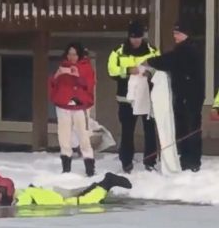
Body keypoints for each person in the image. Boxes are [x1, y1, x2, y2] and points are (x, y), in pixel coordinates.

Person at [145, 20, 205, 172]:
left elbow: (169, 61)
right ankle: (187, 158)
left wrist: (150, 61)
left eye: (178, 33)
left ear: (186, 34)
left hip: (190, 96)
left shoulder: (188, 49)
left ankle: (191, 160)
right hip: (185, 95)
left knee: (190, 128)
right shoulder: (185, 48)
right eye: (174, 33)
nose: (175, 36)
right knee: (185, 127)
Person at [107, 20, 160, 173]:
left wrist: (149, 72)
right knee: (127, 130)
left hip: (147, 97)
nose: (136, 40)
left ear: (142, 37)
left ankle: (150, 160)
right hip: (126, 99)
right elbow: (112, 71)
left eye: (138, 37)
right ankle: (126, 161)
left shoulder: (152, 50)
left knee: (149, 129)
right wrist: (128, 70)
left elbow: (160, 69)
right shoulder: (118, 51)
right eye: (133, 37)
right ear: (129, 37)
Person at [49, 42, 96, 176]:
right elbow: (53, 85)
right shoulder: (62, 66)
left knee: (83, 135)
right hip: (63, 105)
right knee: (64, 136)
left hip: (80, 106)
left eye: (74, 54)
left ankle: (89, 167)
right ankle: (66, 168)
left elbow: (90, 84)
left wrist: (78, 76)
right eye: (69, 54)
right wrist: (57, 76)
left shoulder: (86, 67)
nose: (71, 57)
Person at [0, 172, 132, 206]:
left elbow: (23, 203)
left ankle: (108, 182)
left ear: (8, 191)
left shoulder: (21, 199)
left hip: (59, 199)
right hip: (52, 193)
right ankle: (98, 184)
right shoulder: (19, 193)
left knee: (89, 201)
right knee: (81, 194)